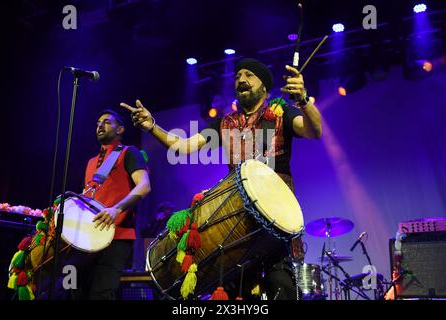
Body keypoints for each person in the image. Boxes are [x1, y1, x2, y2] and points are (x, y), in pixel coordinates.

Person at [120, 58, 322, 299]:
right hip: (237, 215)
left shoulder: (281, 113)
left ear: (265, 87)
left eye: (249, 75)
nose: (241, 80)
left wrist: (302, 101)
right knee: (236, 289)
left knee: (281, 285)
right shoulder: (224, 123)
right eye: (237, 76)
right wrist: (152, 126)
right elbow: (183, 146)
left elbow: (313, 130)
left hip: (275, 216)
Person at [78, 109, 151, 300]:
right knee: (77, 291)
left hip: (117, 236)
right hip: (89, 238)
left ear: (120, 129)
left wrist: (116, 209)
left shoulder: (129, 152)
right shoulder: (91, 162)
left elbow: (144, 186)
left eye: (107, 122)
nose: (100, 125)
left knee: (101, 293)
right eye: (98, 123)